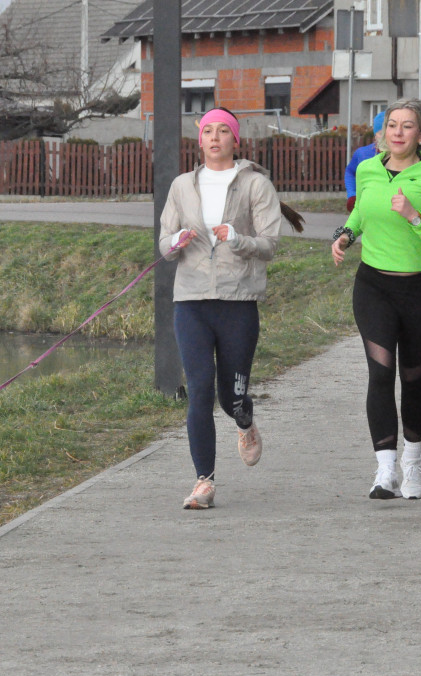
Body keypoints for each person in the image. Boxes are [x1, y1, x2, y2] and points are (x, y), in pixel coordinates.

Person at [331, 98, 421, 501]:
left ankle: (413, 463)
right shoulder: (368, 168)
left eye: (407, 126)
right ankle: (385, 469)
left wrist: (414, 217)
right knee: (381, 374)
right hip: (374, 288)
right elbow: (361, 214)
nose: (398, 132)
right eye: (392, 125)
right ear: (383, 132)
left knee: (414, 378)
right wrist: (346, 235)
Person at [159, 107, 284, 509]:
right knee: (198, 391)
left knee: (231, 398)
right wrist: (176, 240)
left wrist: (238, 238)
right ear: (199, 140)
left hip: (238, 301)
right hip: (191, 301)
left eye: (223, 131)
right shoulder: (181, 186)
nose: (214, 138)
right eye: (207, 131)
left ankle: (245, 422)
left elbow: (270, 244)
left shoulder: (255, 185)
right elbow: (164, 245)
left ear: (235, 139)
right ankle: (204, 482)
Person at [344, 111, 386, 212]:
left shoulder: (405, 156)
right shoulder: (363, 153)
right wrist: (352, 194)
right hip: (366, 209)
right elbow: (350, 172)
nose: (385, 137)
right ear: (375, 135)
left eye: (388, 132)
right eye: (381, 133)